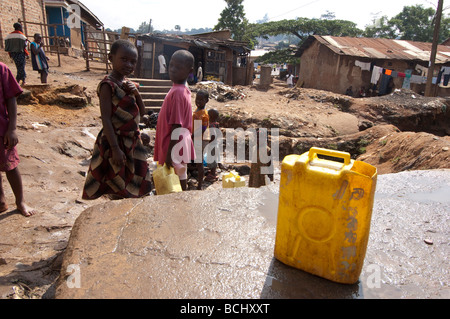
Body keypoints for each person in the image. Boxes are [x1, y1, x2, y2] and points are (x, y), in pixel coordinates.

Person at [82, 39, 152, 200]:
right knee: (116, 181)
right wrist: (114, 148)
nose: (129, 64)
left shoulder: (129, 84)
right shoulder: (108, 85)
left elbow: (142, 111)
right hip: (115, 141)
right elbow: (106, 119)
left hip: (132, 140)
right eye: (124, 59)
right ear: (111, 58)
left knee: (135, 179)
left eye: (133, 62)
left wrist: (137, 93)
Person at [154, 50, 196, 191]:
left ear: (189, 71)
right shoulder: (182, 89)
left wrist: (169, 154)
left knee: (175, 172)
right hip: (180, 139)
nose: (172, 70)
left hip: (175, 141)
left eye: (178, 67)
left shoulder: (178, 92)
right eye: (171, 65)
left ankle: (179, 199)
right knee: (180, 172)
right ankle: (181, 198)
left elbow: (177, 125)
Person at [0, 62, 36, 217]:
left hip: (2, 130)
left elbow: (11, 99)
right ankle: (1, 201)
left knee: (11, 166)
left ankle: (20, 202)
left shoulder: (2, 69)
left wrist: (12, 129)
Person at [192, 90, 209, 190]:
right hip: (197, 138)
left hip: (200, 139)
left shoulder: (203, 114)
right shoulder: (198, 110)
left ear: (207, 100)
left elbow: (202, 128)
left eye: (201, 100)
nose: (198, 101)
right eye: (197, 99)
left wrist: (193, 135)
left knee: (199, 163)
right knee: (198, 161)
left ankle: (199, 185)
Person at [204, 108, 220, 183]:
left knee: (212, 159)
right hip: (215, 144)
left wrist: (208, 141)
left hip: (212, 145)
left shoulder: (211, 126)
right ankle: (213, 172)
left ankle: (212, 174)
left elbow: (213, 135)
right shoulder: (216, 124)